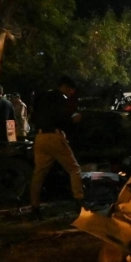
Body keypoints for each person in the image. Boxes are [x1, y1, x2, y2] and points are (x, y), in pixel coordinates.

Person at [30, 75, 85, 217]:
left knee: (38, 174)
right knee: (74, 169)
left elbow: (33, 116)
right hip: (54, 137)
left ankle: (34, 207)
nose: (72, 93)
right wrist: (74, 119)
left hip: (39, 137)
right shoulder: (61, 99)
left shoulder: (42, 97)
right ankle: (79, 203)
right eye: (71, 90)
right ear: (65, 87)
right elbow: (63, 118)